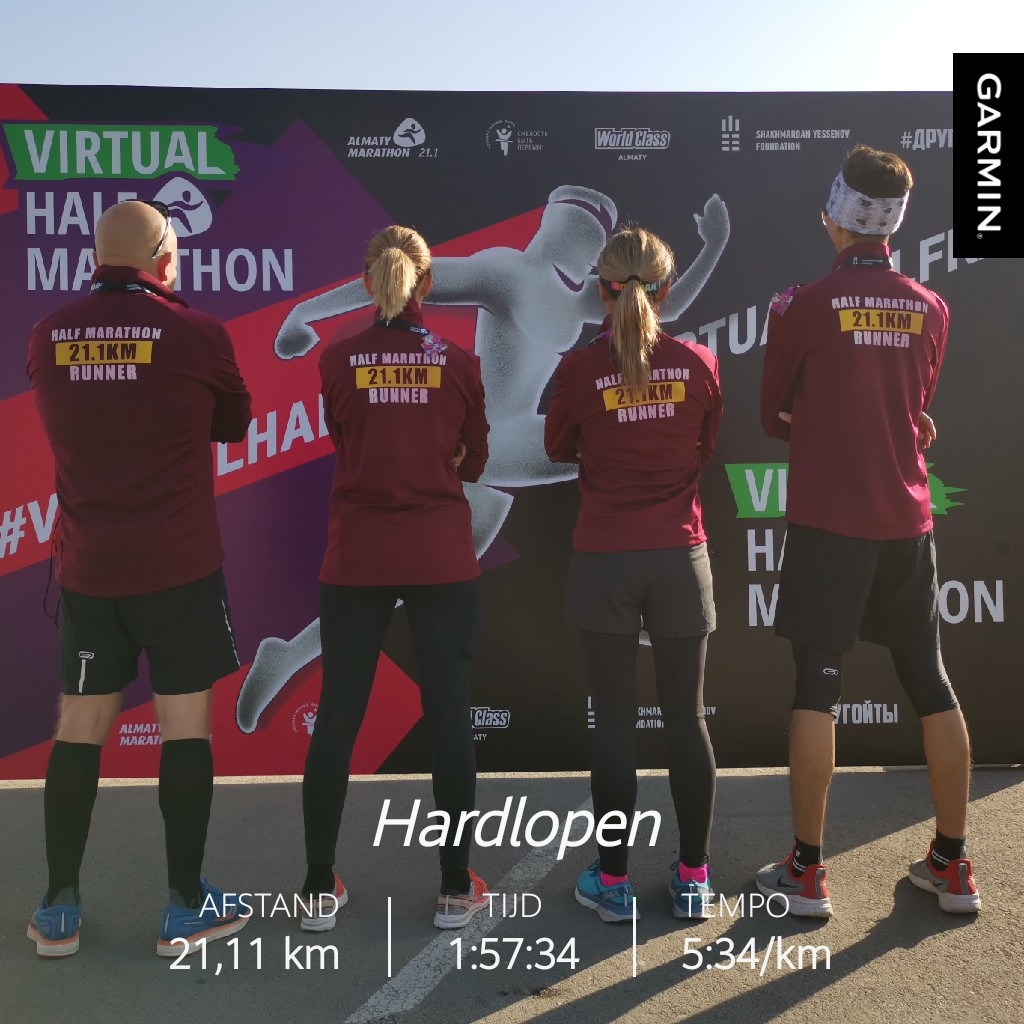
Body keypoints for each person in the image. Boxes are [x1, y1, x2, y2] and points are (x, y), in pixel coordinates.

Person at [234, 186, 729, 735]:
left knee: (413, 579)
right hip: (488, 439)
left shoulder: (579, 299)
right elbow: (404, 275)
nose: (587, 249)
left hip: (506, 453)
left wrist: (713, 245)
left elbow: (664, 304)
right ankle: (646, 592)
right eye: (583, 233)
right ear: (555, 227)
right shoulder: (505, 272)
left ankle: (288, 653)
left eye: (594, 244)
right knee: (619, 436)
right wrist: (304, 312)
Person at [756, 145, 981, 917]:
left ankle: (807, 873)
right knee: (931, 682)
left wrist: (827, 420)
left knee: (816, 689)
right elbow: (913, 411)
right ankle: (952, 864)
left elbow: (772, 415)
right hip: (906, 521)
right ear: (893, 226)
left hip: (830, 522)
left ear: (835, 216)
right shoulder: (932, 306)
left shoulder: (804, 305)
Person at [25, 199, 253, 957]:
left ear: (98, 257)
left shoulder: (48, 333)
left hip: (91, 570)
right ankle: (185, 906)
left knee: (79, 729)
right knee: (186, 729)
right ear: (163, 259)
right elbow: (233, 422)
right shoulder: (198, 333)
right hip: (179, 568)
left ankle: (59, 908)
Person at [300, 225, 491, 931]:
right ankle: (454, 888)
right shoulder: (456, 361)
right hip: (439, 556)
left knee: (337, 717)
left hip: (359, 555)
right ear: (427, 284)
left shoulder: (337, 357)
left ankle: (316, 888)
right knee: (450, 717)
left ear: (369, 280)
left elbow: (345, 440)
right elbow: (474, 461)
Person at [545, 226, 723, 922]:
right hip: (680, 556)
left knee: (614, 724)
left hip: (606, 559)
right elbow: (705, 447)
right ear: (666, 290)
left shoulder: (580, 368)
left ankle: (613, 882)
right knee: (688, 719)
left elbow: (558, 445)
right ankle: (693, 878)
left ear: (602, 291)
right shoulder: (699, 363)